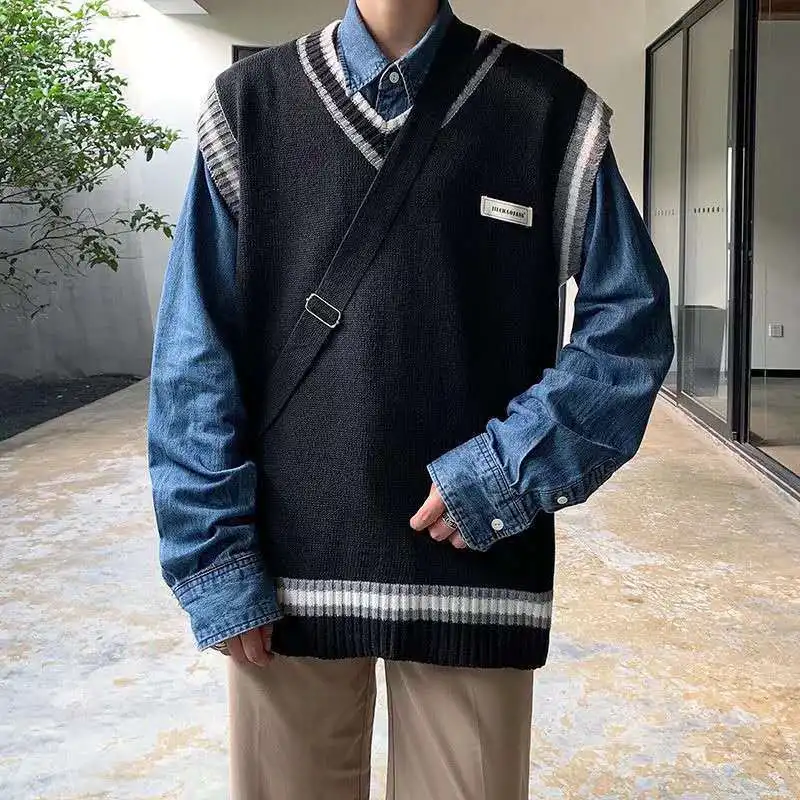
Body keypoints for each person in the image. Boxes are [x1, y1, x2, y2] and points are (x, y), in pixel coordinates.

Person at [147, 0, 674, 797]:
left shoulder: (549, 111)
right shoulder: (248, 107)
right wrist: (213, 553)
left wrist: (504, 473)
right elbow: (194, 353)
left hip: (477, 570)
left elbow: (630, 326)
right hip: (283, 568)